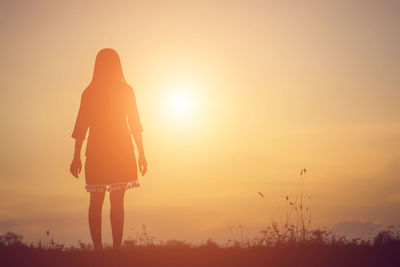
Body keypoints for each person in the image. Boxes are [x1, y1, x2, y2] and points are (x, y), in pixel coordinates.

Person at [69, 48, 147, 250]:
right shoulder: (122, 91)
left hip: (103, 151)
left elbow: (81, 128)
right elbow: (82, 127)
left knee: (98, 201)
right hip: (115, 151)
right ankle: (113, 249)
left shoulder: (91, 92)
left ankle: (103, 249)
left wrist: (76, 157)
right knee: (114, 201)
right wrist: (141, 154)